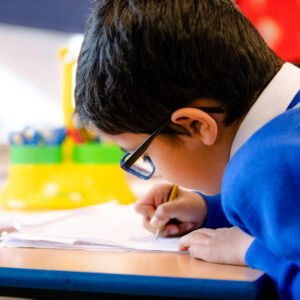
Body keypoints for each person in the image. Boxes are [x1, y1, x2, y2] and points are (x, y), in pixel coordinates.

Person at [74, 1, 300, 299]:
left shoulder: (261, 168)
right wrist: (209, 207)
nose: (153, 173)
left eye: (145, 156)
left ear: (195, 125)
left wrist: (249, 249)